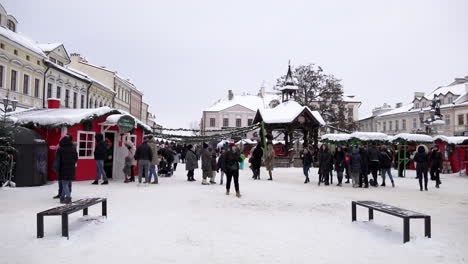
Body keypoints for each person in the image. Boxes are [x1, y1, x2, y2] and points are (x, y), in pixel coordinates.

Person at [55, 135, 78, 204]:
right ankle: (62, 198)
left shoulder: (60, 149)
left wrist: (57, 169)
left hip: (63, 168)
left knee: (64, 184)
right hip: (71, 168)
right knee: (66, 183)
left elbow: (57, 160)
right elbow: (76, 158)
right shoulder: (73, 148)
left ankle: (68, 198)